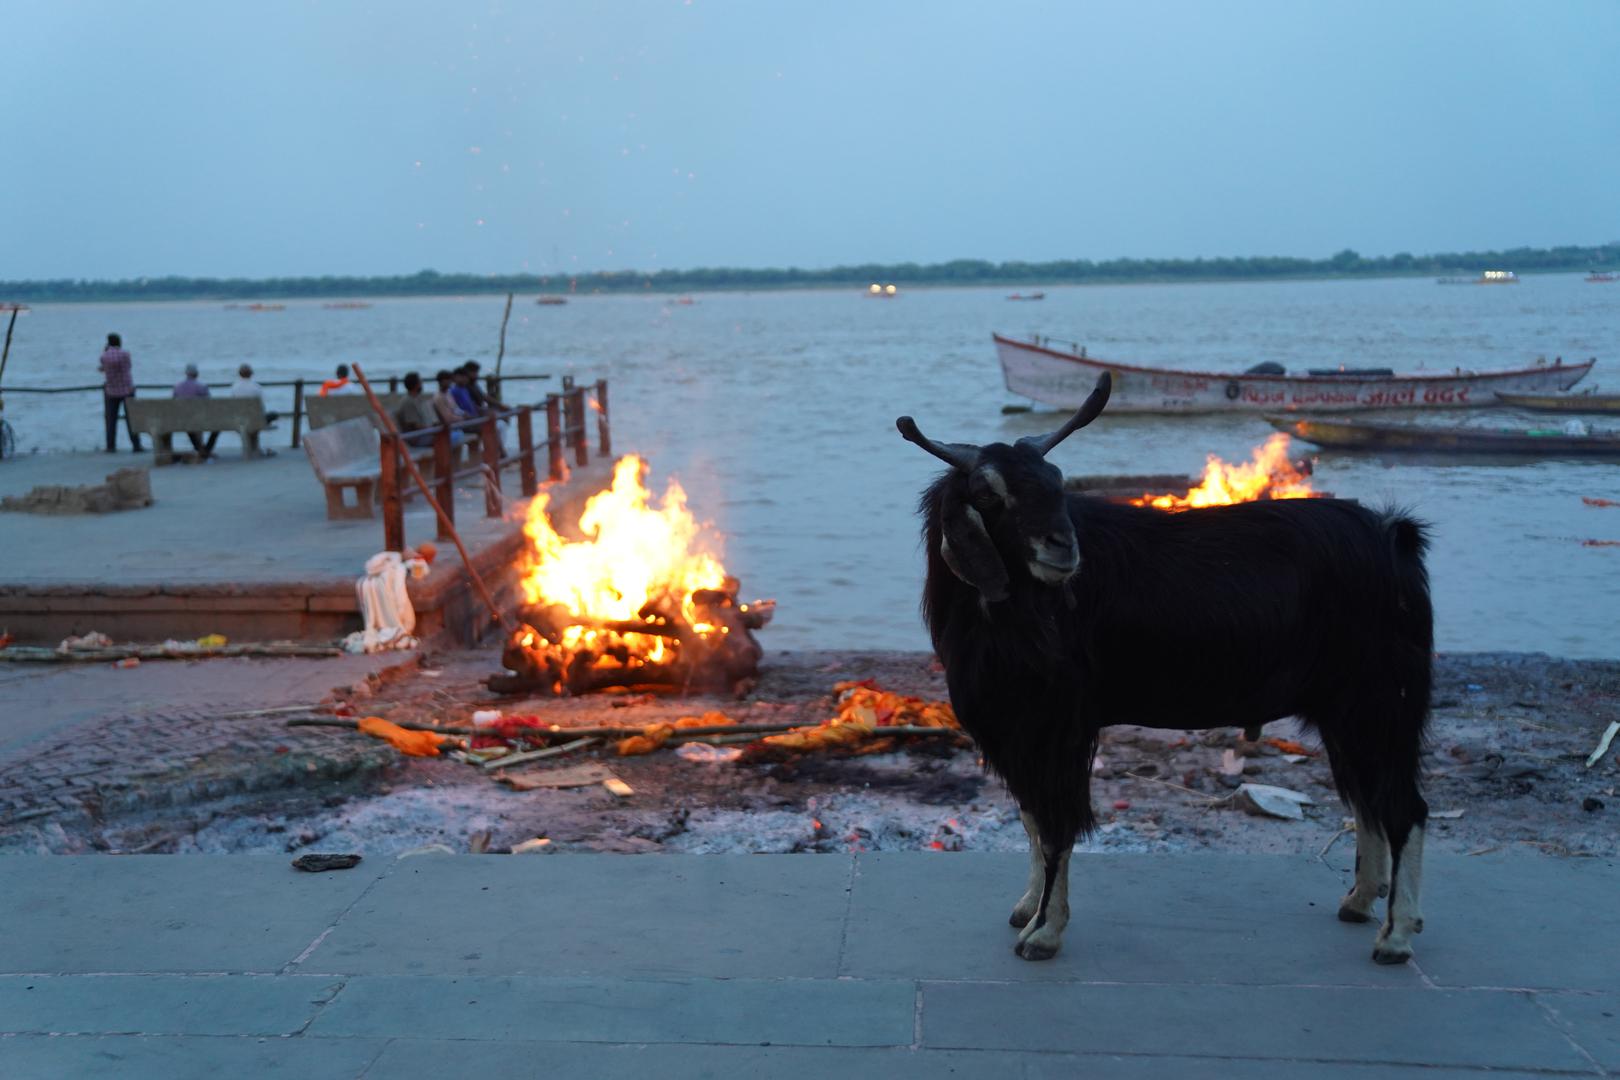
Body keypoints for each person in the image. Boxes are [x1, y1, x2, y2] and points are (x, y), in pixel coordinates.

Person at [99, 333, 142, 452]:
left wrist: (105, 350)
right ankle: (136, 445)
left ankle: (111, 446)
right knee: (131, 419)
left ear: (108, 342)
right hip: (127, 390)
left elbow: (102, 369)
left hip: (111, 391)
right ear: (119, 342)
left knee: (111, 420)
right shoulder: (125, 354)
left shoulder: (104, 356)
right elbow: (128, 367)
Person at [396, 371, 458, 448]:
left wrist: (436, 427)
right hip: (416, 437)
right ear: (416, 384)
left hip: (424, 434)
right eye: (420, 382)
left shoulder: (417, 399)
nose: (422, 384)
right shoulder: (408, 401)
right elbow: (414, 425)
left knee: (455, 435)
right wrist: (433, 430)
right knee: (449, 438)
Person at [229, 363, 280, 450]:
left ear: (239, 374)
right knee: (274, 415)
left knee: (250, 420)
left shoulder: (234, 387)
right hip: (255, 419)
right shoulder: (256, 387)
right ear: (251, 374)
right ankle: (254, 447)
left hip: (240, 420)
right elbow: (261, 407)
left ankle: (250, 447)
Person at [173, 363, 219, 458]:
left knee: (189, 426)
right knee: (215, 427)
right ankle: (205, 450)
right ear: (196, 374)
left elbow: (173, 403)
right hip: (200, 417)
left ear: (186, 373)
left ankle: (200, 450)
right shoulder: (201, 387)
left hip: (182, 419)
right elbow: (209, 404)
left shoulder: (177, 387)